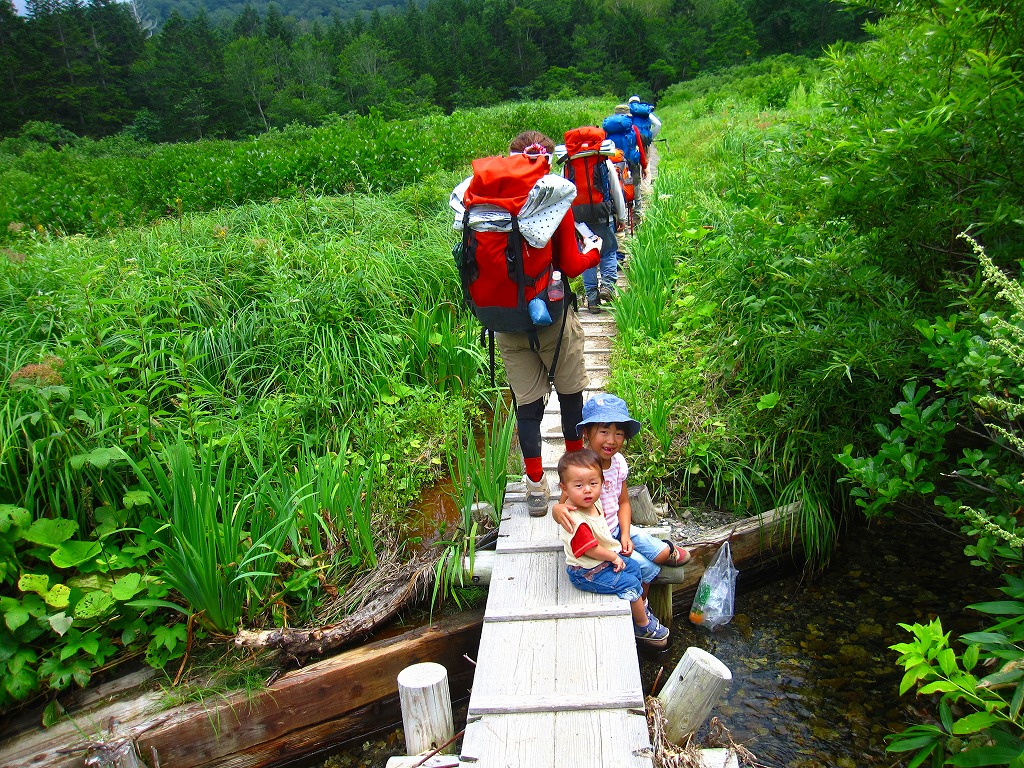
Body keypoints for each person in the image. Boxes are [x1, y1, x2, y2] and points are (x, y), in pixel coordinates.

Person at [459, 131, 601, 516]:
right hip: (551, 319)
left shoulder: (478, 204)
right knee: (571, 398)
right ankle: (577, 483)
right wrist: (593, 253)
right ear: (545, 159)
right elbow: (571, 265)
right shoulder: (552, 199)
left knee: (528, 407)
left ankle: (536, 487)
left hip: (504, 321)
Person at [553, 393, 690, 601]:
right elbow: (562, 506)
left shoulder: (618, 463)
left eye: (618, 433)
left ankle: (664, 554)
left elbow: (624, 502)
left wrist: (625, 533)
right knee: (646, 568)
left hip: (617, 527)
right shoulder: (579, 468)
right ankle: (640, 608)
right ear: (587, 433)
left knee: (657, 553)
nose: (611, 440)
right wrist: (557, 510)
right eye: (604, 431)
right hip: (598, 540)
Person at [554, 448, 670, 644]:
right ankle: (642, 626)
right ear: (565, 489)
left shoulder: (593, 503)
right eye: (579, 485)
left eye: (593, 483)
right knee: (631, 583)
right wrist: (613, 557)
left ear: (602, 483)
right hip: (586, 572)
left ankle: (640, 606)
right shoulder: (576, 520)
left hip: (600, 562)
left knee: (634, 567)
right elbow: (590, 549)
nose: (588, 490)